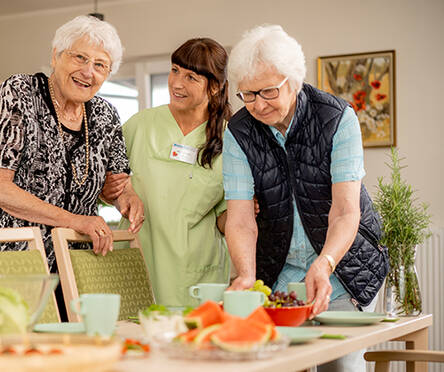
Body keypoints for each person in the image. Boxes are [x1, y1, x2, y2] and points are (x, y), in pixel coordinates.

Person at [223, 25, 388, 371]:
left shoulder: (336, 118)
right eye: (247, 95)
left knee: (339, 367)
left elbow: (345, 210)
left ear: (293, 81)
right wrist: (247, 274)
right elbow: (240, 217)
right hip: (281, 273)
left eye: (267, 92)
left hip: (342, 271)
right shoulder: (238, 132)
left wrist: (325, 263)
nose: (257, 104)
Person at [0, 15, 144, 273]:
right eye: (80, 58)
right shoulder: (20, 93)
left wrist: (128, 199)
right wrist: (75, 221)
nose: (88, 72)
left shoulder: (105, 115)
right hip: (10, 262)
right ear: (56, 56)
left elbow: (118, 185)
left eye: (100, 65)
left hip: (76, 269)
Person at [101, 38, 232, 307]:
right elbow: (106, 186)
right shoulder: (141, 125)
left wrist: (251, 211)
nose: (177, 83)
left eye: (191, 77)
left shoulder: (230, 140)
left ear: (215, 87)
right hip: (138, 260)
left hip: (197, 271)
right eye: (174, 70)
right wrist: (117, 194)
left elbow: (225, 219)